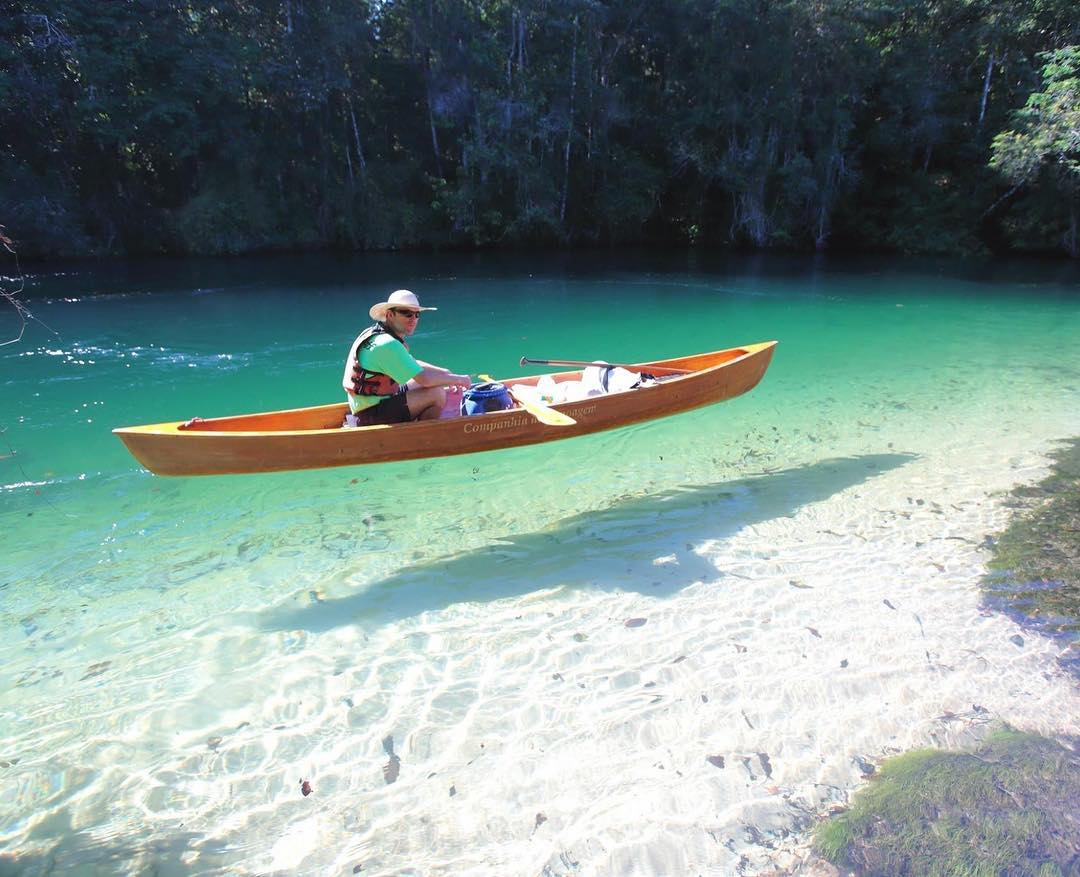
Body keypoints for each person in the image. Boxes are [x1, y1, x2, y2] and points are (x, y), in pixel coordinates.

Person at [342, 289, 471, 426]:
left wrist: (446, 374)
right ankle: (422, 435)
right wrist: (459, 380)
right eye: (407, 313)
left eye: (417, 314)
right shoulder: (387, 344)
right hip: (369, 415)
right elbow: (425, 379)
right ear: (390, 315)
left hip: (371, 405)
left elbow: (413, 364)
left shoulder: (375, 334)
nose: (413, 319)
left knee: (435, 381)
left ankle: (416, 422)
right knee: (437, 393)